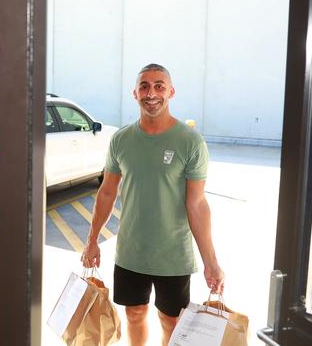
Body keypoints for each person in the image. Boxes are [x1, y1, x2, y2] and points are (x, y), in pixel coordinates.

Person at [81, 63, 225, 346]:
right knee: (134, 313)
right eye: (144, 86)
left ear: (171, 91)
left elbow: (197, 204)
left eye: (159, 85)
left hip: (173, 254)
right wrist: (92, 240)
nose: (151, 93)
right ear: (134, 93)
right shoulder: (121, 140)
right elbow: (107, 192)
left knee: (171, 321)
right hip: (131, 251)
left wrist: (211, 262)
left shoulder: (190, 141)